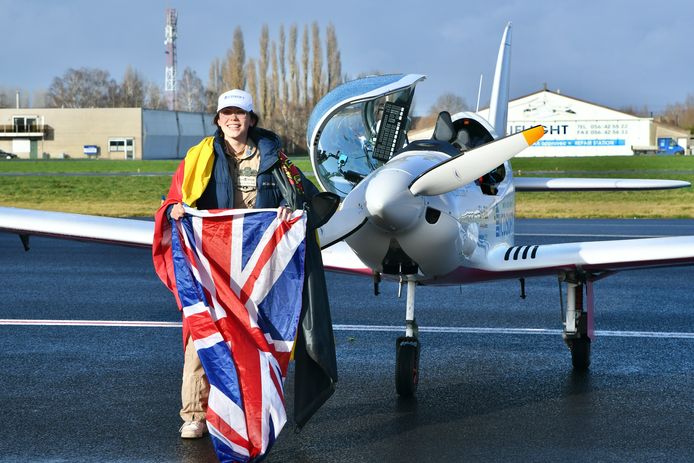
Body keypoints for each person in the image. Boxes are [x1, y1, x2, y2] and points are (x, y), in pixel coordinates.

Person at [155, 89, 321, 439]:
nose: (233, 119)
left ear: (252, 119)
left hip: (259, 267)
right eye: (226, 113)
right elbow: (174, 198)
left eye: (240, 113)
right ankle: (194, 414)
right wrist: (175, 210)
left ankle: (252, 411)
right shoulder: (198, 157)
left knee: (258, 338)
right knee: (202, 334)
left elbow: (306, 198)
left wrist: (289, 210)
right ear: (217, 119)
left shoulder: (276, 158)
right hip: (212, 263)